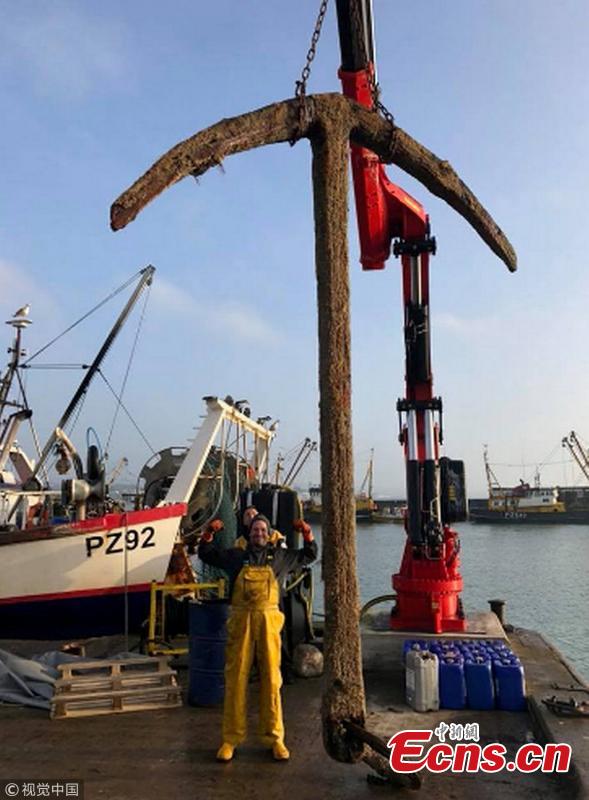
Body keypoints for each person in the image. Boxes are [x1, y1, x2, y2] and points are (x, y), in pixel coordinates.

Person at [198, 513, 317, 762]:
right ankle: (230, 739)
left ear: (270, 534)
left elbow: (310, 555)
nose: (259, 534)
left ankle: (275, 739)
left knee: (272, 680)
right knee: (236, 679)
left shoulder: (281, 558)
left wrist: (307, 533)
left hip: (268, 624)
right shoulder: (236, 556)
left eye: (263, 530)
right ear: (248, 534)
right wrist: (209, 534)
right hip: (241, 623)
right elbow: (206, 554)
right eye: (255, 530)